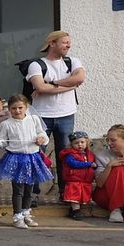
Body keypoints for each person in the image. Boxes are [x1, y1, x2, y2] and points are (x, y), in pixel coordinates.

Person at [25, 31, 87, 186]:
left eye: (69, 42)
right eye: (65, 42)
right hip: (41, 116)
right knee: (37, 154)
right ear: (52, 43)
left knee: (66, 156)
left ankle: (65, 192)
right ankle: (33, 194)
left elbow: (80, 78)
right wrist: (70, 85)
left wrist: (52, 83)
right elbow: (40, 87)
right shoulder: (36, 64)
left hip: (66, 115)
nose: (69, 45)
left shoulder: (73, 61)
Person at [0, 94, 53, 228]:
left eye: (20, 108)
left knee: (29, 189)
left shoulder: (34, 119)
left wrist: (41, 138)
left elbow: (42, 133)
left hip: (32, 157)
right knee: (18, 189)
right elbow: (3, 141)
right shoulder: (6, 124)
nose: (17, 111)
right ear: (9, 109)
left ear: (26, 107)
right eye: (14, 108)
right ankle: (17, 216)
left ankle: (26, 213)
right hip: (15, 159)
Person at [59, 130, 99, 218]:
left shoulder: (89, 154)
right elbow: (73, 163)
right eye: (76, 143)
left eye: (82, 142)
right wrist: (88, 164)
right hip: (74, 179)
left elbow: (94, 164)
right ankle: (76, 211)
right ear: (71, 144)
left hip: (85, 180)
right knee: (74, 196)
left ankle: (74, 210)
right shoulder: (70, 155)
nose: (80, 145)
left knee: (81, 196)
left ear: (87, 142)